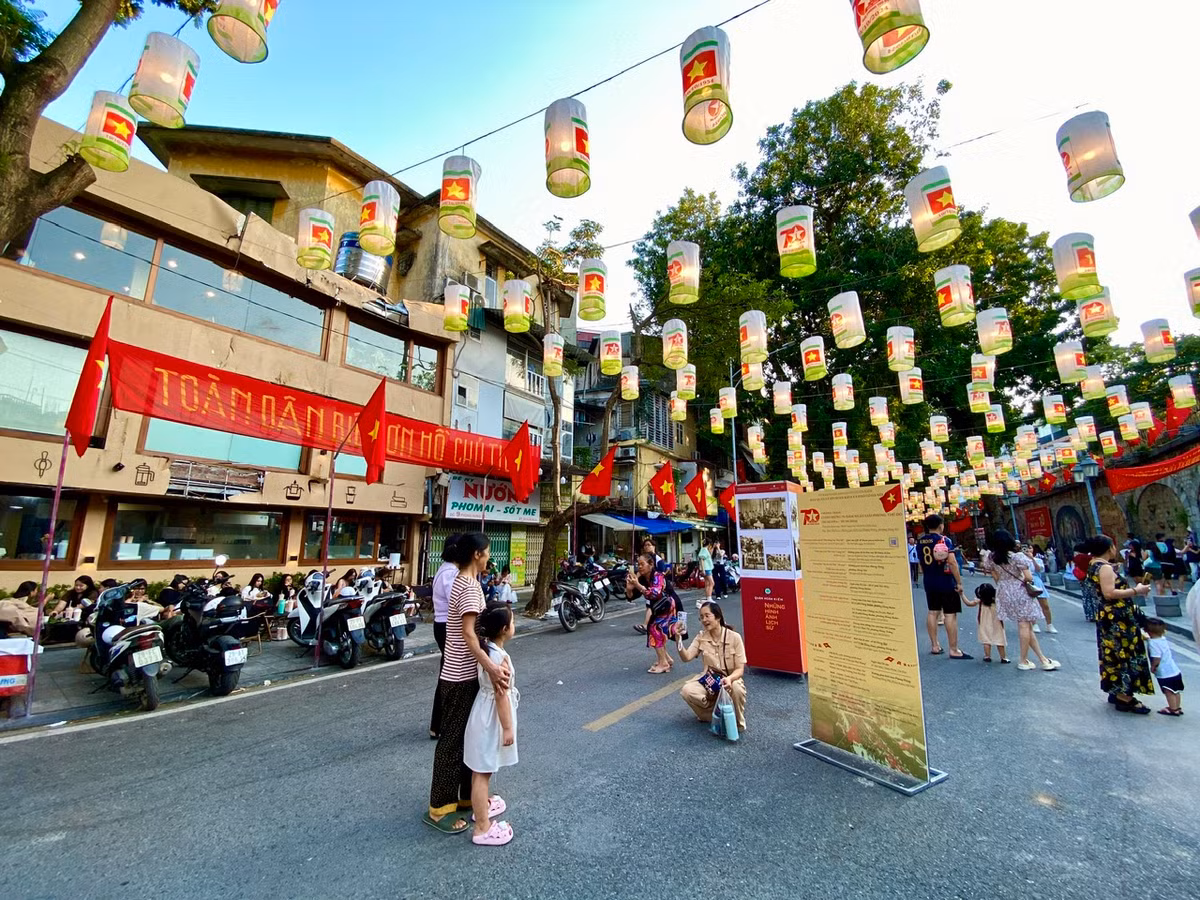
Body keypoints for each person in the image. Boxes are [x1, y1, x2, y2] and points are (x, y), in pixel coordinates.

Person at [425, 533, 510, 834]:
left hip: (458, 673)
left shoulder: (459, 580)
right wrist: (490, 665)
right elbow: (469, 634)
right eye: (486, 553)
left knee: (465, 739)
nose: (489, 557)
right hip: (460, 676)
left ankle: (466, 799)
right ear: (476, 555)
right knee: (452, 743)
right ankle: (439, 808)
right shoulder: (470, 586)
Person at [463, 604, 519, 846]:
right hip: (491, 716)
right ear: (505, 629)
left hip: (481, 712)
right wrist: (508, 727)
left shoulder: (487, 650)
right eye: (513, 622)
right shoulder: (499, 659)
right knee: (482, 772)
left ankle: (483, 806)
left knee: (481, 768)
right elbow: (501, 695)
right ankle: (482, 827)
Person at [1087, 534, 1154, 713]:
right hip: (1117, 617)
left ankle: (1115, 690)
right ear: (1110, 548)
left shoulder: (1094, 564)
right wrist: (1136, 590)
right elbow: (1109, 593)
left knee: (1113, 653)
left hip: (1108, 616)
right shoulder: (1104, 567)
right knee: (1124, 653)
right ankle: (1125, 696)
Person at [986, 529, 1059, 671]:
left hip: (1004, 590)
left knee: (1027, 626)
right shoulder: (1017, 557)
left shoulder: (991, 558)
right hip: (1019, 590)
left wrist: (1004, 584)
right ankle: (1023, 660)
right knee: (1025, 625)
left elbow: (995, 576)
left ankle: (1042, 659)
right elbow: (1029, 577)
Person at [677, 601, 747, 732]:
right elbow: (686, 657)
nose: (704, 620)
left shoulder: (734, 637)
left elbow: (740, 669)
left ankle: (737, 723)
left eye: (707, 616)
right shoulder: (701, 637)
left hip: (730, 679)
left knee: (737, 689)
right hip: (709, 681)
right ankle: (713, 715)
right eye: (701, 617)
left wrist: (730, 679)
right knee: (687, 690)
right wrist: (678, 639)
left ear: (718, 617)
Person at [915, 514, 970, 659]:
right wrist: (958, 582)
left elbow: (921, 563)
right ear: (940, 525)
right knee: (950, 614)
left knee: (932, 612)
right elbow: (952, 562)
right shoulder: (944, 540)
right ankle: (954, 649)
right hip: (946, 581)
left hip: (929, 581)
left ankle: (934, 645)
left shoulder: (920, 541)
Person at [429, 534, 462, 740]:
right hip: (448, 626)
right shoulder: (450, 573)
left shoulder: (446, 570)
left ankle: (440, 723)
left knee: (449, 673)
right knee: (450, 675)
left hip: (443, 625)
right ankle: (440, 723)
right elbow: (456, 602)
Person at [626, 553, 674, 674]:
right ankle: (666, 659)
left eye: (642, 564)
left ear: (651, 564)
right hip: (658, 608)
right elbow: (631, 597)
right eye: (638, 564)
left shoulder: (658, 576)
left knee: (654, 629)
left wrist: (637, 585)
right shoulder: (642, 579)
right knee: (655, 631)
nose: (639, 567)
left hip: (669, 606)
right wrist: (629, 588)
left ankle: (663, 663)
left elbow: (654, 593)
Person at [1143, 618, 1184, 717]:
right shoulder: (1162, 639)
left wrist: (1153, 666)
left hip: (1165, 673)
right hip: (1174, 670)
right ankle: (1177, 708)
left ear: (1149, 632)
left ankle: (1172, 709)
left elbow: (1157, 657)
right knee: (1176, 691)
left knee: (1168, 691)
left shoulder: (1153, 644)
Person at [963, 582, 1008, 663]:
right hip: (997, 624)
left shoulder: (980, 601)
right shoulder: (997, 602)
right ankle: (1003, 657)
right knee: (1000, 640)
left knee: (986, 641)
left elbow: (968, 603)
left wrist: (961, 594)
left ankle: (987, 656)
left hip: (984, 624)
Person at [1026, 546, 1056, 634]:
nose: (1028, 550)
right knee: (1030, 604)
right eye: (1026, 548)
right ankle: (1034, 624)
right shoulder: (1021, 560)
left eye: (1030, 548)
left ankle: (1049, 624)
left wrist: (1032, 559)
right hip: (1027, 582)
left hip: (1037, 582)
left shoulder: (1038, 560)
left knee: (1045, 605)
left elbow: (1039, 570)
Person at [697, 539, 714, 608]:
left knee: (707, 583)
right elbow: (702, 560)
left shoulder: (704, 549)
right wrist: (703, 570)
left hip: (707, 568)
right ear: (709, 544)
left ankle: (708, 597)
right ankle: (709, 598)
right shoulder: (704, 550)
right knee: (712, 583)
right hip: (707, 568)